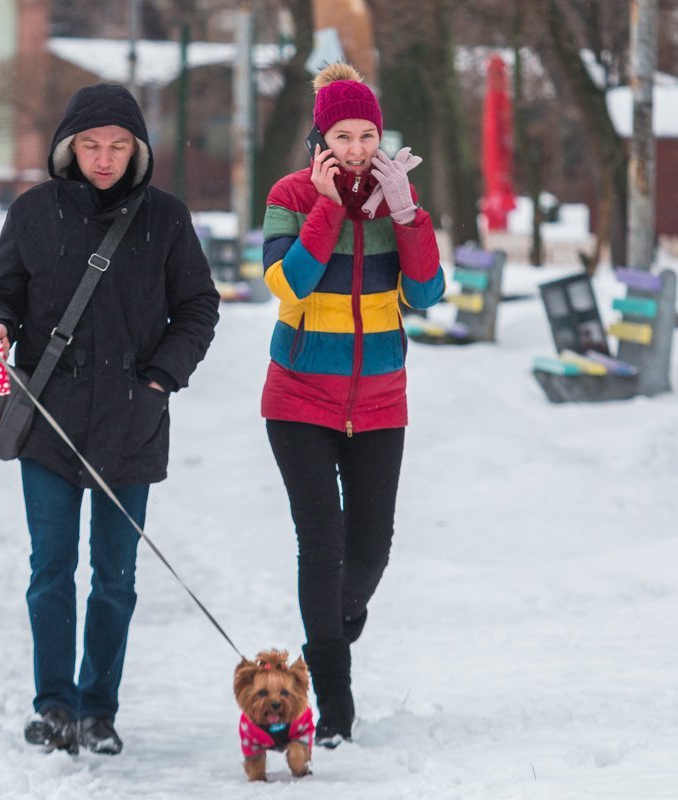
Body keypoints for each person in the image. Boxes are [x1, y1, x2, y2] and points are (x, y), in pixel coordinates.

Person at [0, 83, 219, 756]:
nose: (103, 159)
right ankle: (53, 705)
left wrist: (161, 379)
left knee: (116, 576)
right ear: (68, 148)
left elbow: (198, 306)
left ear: (137, 150)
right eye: (90, 146)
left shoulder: (165, 219)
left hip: (131, 419)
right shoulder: (33, 213)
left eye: (116, 147)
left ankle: (98, 710)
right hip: (47, 417)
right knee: (51, 567)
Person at [259, 63, 445, 747]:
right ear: (322, 137)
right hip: (299, 397)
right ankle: (334, 701)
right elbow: (288, 284)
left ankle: (327, 634)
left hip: (379, 401)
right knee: (323, 544)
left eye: (369, 134)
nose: (360, 148)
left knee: (370, 549)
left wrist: (408, 215)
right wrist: (328, 205)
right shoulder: (289, 194)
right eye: (345, 135)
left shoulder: (398, 199)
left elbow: (425, 296)